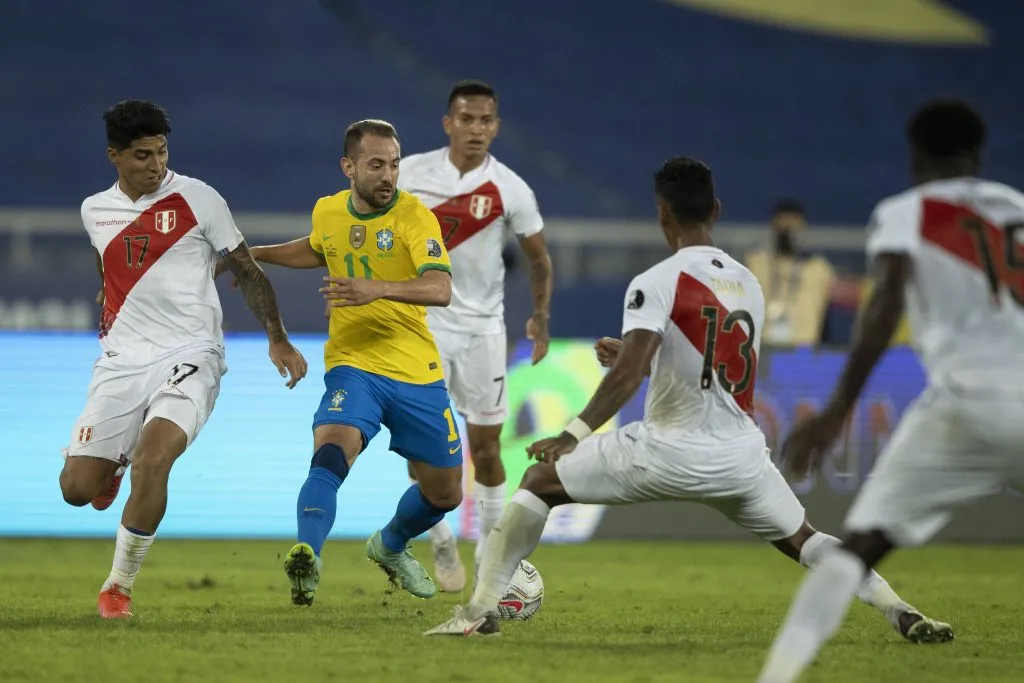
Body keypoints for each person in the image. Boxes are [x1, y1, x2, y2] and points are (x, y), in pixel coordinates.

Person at [423, 157, 948, 640]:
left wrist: (573, 432)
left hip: (668, 451)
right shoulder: (748, 283)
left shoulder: (657, 281)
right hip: (740, 458)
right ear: (714, 210)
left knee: (539, 482)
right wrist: (644, 356)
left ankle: (479, 611)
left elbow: (628, 375)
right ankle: (901, 610)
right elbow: (712, 366)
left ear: (661, 214)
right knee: (808, 539)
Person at [757, 99, 1017, 682]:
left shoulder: (907, 211)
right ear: (978, 154)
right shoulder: (1019, 210)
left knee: (854, 553)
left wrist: (836, 410)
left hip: (964, 405)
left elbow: (886, 303)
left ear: (915, 156)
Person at [60, 99, 308, 619]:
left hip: (192, 351)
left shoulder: (199, 198)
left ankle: (118, 588)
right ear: (114, 156)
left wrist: (277, 338)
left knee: (156, 459)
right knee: (75, 490)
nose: (156, 165)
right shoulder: (93, 210)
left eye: (162, 152)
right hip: (123, 359)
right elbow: (110, 275)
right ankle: (113, 464)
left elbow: (248, 271)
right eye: (142, 156)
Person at [227, 119, 463, 605]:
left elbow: (440, 288)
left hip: (416, 370)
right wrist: (256, 255)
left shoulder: (415, 218)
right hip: (353, 363)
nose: (388, 176)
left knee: (445, 494)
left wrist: (374, 288)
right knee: (332, 450)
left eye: (394, 165)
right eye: (376, 165)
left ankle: (391, 545)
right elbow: (318, 248)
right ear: (348, 167)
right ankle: (307, 558)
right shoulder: (328, 211)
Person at [397, 79, 553, 591]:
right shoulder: (413, 173)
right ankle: (440, 538)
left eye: (486, 120)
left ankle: (489, 549)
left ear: (496, 127)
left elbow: (539, 259)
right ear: (449, 124)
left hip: (484, 327)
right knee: (425, 446)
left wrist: (540, 316)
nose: (476, 129)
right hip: (424, 324)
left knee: (485, 448)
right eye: (467, 119)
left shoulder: (511, 187)